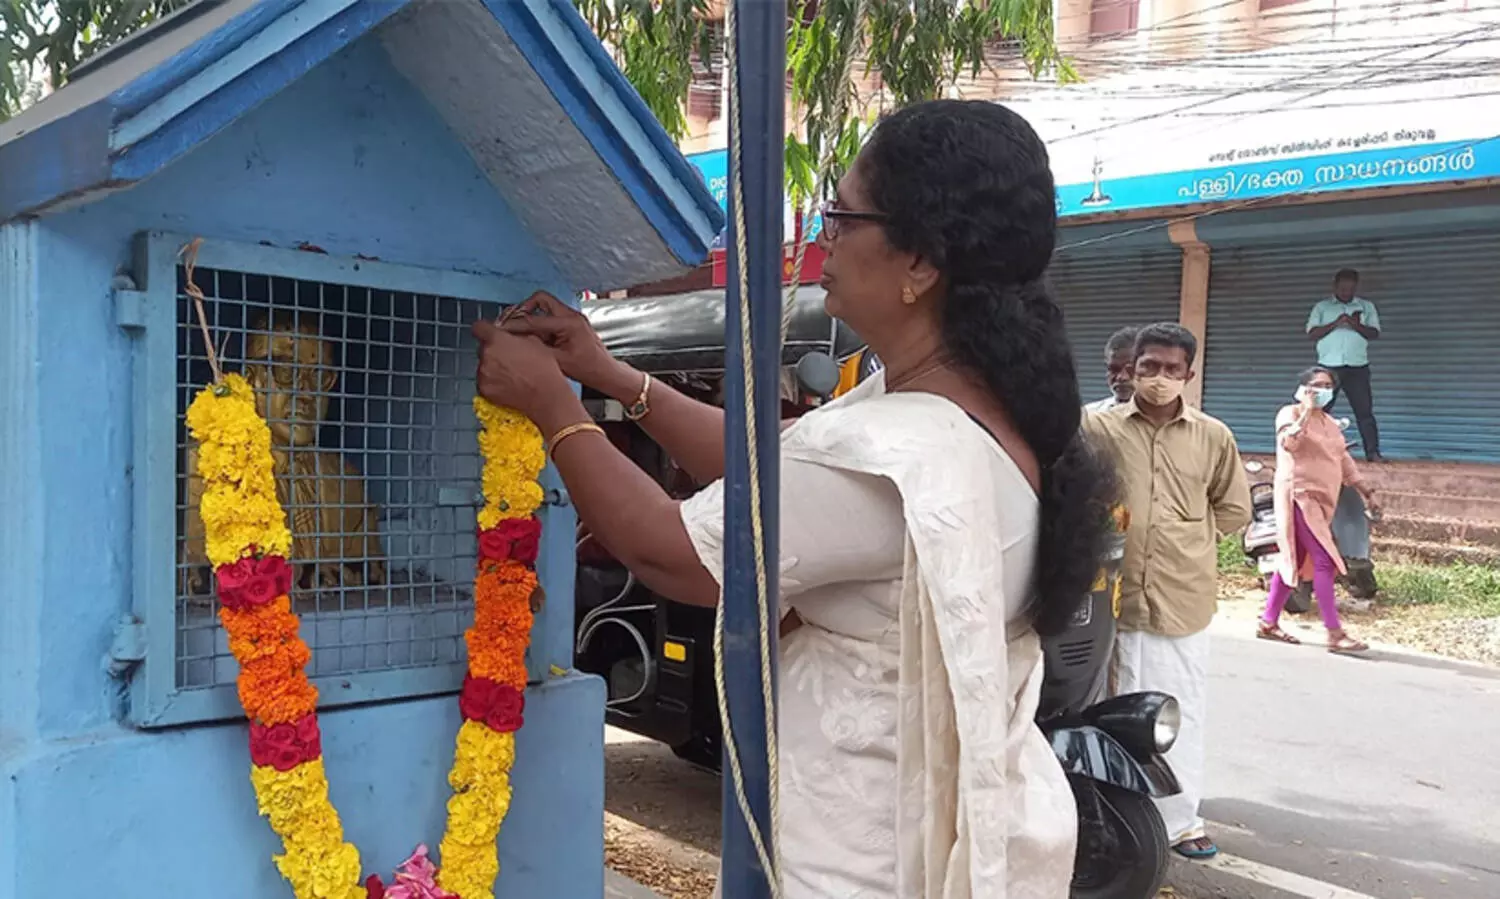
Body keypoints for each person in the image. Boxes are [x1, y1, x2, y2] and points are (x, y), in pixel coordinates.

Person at [472, 100, 1116, 898]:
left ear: (921, 262)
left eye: (843, 217)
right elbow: (769, 465)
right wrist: (608, 375)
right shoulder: (965, 408)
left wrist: (552, 405)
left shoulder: (899, 454)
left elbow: (668, 551)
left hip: (856, 861)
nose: (824, 239)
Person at [1082, 322, 1251, 862]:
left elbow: (1233, 510)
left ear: (1188, 375)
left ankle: (1179, 822)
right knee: (1104, 710)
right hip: (1109, 597)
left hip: (1180, 598)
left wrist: (1181, 535)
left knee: (1179, 713)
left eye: (1171, 369)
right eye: (1148, 366)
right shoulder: (1096, 428)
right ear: (1131, 370)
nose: (1158, 377)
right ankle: (1111, 818)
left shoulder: (1213, 437)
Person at [1257, 367, 1379, 653]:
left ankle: (1268, 622)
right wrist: (1305, 412)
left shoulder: (1330, 423)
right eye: (1317, 385)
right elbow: (1289, 443)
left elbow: (1342, 458)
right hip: (1300, 496)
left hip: (1324, 500)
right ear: (1303, 388)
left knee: (1295, 560)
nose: (1323, 391)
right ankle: (1334, 633)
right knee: (1325, 560)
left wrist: (1364, 490)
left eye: (1327, 386)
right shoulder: (1289, 414)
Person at [1306, 268, 1383, 462]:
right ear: (1335, 286)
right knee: (1320, 411)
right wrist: (1336, 323)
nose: (1346, 292)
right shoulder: (1322, 307)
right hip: (1328, 368)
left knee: (1364, 412)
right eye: (1342, 288)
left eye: (1350, 289)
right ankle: (1313, 453)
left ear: (1356, 287)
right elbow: (1312, 333)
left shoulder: (1366, 307)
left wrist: (1354, 324)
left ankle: (1372, 453)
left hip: (1358, 366)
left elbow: (1374, 333)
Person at [1084, 325, 1140, 413]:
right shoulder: (1089, 415)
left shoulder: (1163, 418)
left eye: (1131, 369)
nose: (1121, 377)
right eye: (1114, 369)